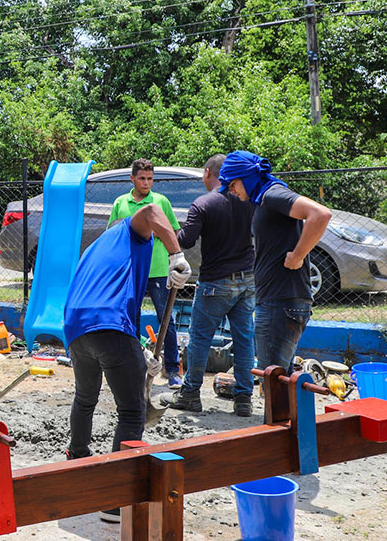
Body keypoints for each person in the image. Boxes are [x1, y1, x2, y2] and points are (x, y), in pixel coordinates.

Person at [63, 204, 190, 523]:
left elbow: (117, 300)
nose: (156, 238)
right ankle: (115, 498)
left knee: (85, 397)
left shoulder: (98, 247)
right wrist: (176, 254)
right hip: (108, 327)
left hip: (77, 328)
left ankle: (77, 459)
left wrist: (140, 353)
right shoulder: (130, 232)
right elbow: (150, 211)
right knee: (133, 412)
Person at [160, 155, 257, 417]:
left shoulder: (203, 204)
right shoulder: (248, 200)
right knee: (244, 339)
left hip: (215, 282)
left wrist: (167, 232)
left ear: (207, 173)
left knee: (200, 339)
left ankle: (190, 393)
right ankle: (244, 398)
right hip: (247, 280)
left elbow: (187, 241)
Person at [218, 150, 331, 371]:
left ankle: (274, 408)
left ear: (247, 176)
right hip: (279, 301)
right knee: (281, 381)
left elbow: (320, 214)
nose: (231, 190)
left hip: (280, 303)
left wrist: (298, 256)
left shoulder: (273, 195)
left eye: (232, 184)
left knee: (272, 382)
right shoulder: (263, 198)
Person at [107, 159, 182, 388]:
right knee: (131, 319)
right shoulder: (121, 202)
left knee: (166, 319)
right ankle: (134, 367)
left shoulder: (161, 202)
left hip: (158, 270)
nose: (146, 183)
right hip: (132, 271)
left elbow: (175, 232)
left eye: (150, 179)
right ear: (132, 179)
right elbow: (112, 231)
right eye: (142, 178)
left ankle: (172, 370)